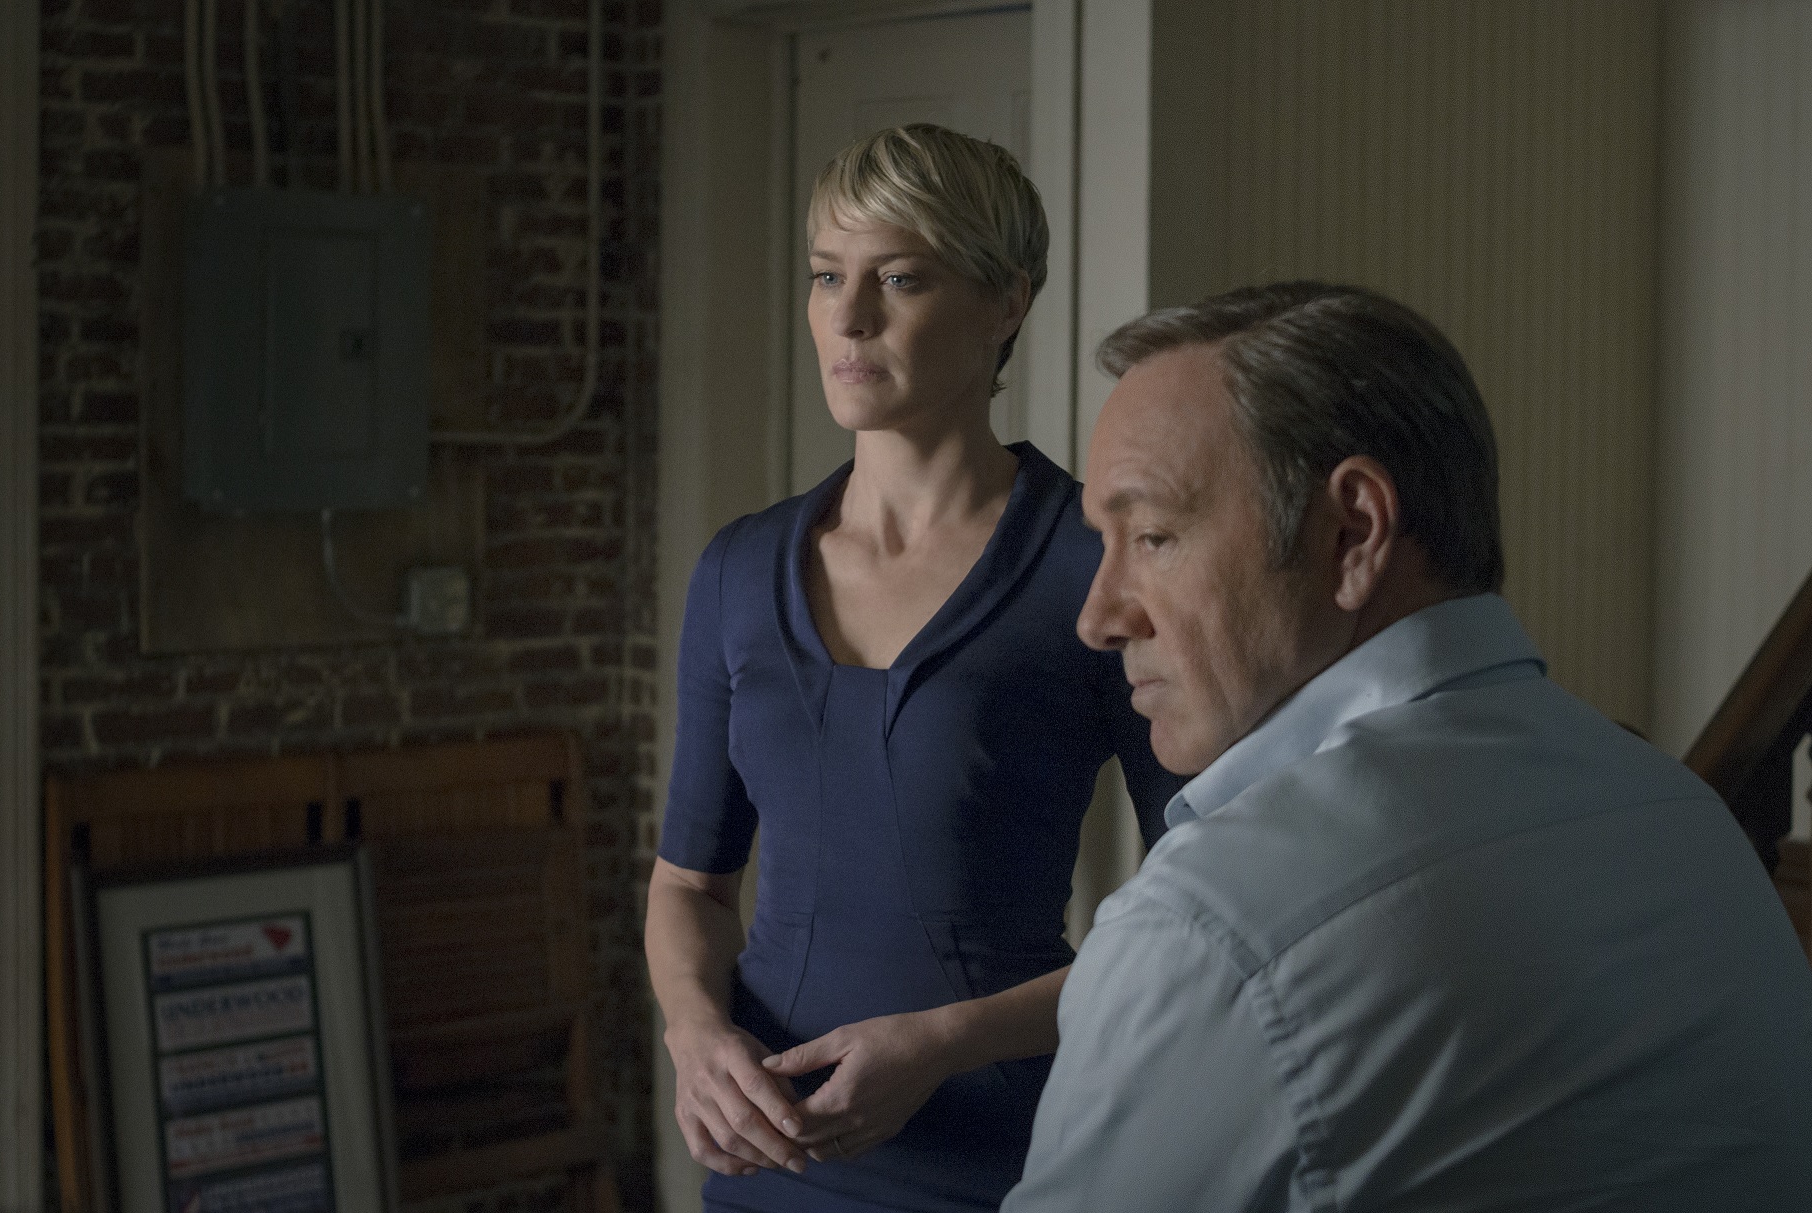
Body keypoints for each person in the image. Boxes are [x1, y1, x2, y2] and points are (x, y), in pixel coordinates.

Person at [1004, 282, 1812, 1211]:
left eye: (1151, 536)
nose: (1098, 617)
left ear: (1352, 533)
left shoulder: (1209, 929)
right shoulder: (1686, 820)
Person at [645, 125, 1183, 1213]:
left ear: (1005, 302)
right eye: (825, 276)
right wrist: (695, 1036)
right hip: (767, 1156)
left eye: (898, 278)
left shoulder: (1098, 565)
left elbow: (1202, 915)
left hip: (1007, 1158)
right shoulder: (738, 569)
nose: (848, 317)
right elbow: (688, 886)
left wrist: (945, 1040)